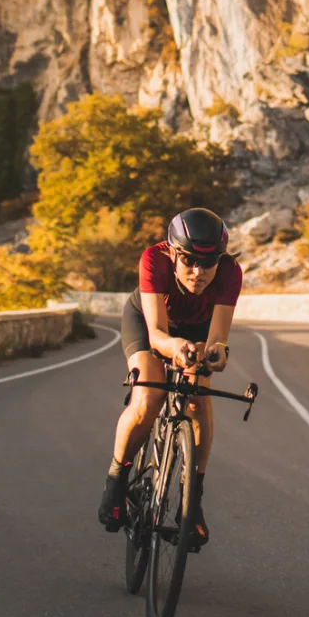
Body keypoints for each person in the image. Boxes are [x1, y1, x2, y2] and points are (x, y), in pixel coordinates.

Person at [98, 207, 242, 549]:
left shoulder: (230, 273)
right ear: (172, 253)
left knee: (197, 397)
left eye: (209, 263)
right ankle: (116, 480)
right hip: (151, 325)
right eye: (189, 260)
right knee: (148, 396)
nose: (198, 271)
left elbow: (218, 337)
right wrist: (174, 347)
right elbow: (158, 333)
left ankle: (192, 501)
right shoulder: (153, 260)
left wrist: (217, 353)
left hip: (197, 330)